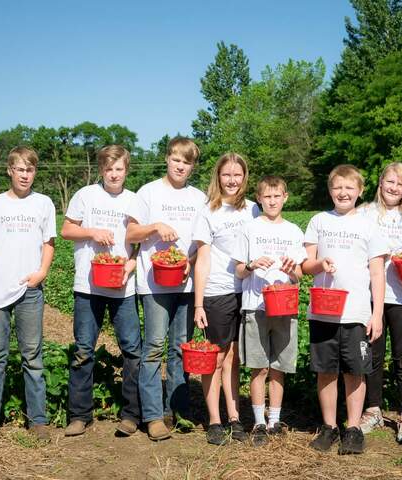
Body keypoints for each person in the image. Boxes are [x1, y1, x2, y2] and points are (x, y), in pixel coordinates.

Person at [0, 146, 56, 441]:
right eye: (20, 169)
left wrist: (41, 273)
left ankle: (38, 420)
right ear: (10, 170)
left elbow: (49, 242)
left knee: (32, 356)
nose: (25, 175)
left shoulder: (43, 204)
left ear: (34, 173)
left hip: (29, 288)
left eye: (30, 170)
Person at [125, 137, 206, 441]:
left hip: (186, 284)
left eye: (186, 162)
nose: (180, 166)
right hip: (154, 283)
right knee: (154, 347)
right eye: (176, 160)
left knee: (179, 349)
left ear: (192, 166)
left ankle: (177, 411)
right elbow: (131, 232)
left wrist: (191, 259)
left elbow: (201, 242)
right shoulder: (148, 192)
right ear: (167, 159)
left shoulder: (198, 197)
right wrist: (155, 226)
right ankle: (153, 416)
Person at [303, 165, 387, 454]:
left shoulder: (368, 225)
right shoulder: (318, 221)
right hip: (323, 310)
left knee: (355, 370)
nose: (343, 192)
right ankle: (329, 427)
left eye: (349, 188)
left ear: (360, 191)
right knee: (325, 371)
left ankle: (352, 428)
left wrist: (376, 314)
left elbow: (378, 274)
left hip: (357, 311)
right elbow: (306, 265)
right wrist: (320, 264)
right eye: (338, 187)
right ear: (330, 190)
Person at [61, 145, 142, 438]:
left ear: (126, 170)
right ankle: (80, 415)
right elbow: (67, 230)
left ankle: (132, 414)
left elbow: (139, 242)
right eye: (109, 169)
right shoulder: (85, 195)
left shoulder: (135, 200)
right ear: (101, 170)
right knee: (83, 350)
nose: (114, 174)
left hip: (123, 286)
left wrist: (131, 262)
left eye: (119, 169)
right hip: (88, 284)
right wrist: (92, 232)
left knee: (132, 350)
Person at [232, 175, 306, 447]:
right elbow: (239, 271)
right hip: (255, 306)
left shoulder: (294, 232)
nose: (272, 201)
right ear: (259, 199)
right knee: (259, 367)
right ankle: (258, 422)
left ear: (285, 197)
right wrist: (252, 265)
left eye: (277, 196)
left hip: (284, 307)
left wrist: (291, 270)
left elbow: (298, 276)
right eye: (267, 197)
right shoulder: (249, 229)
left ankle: (275, 421)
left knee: (279, 367)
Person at [192, 153, 259, 445]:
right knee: (216, 357)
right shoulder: (208, 211)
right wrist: (198, 304)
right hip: (217, 291)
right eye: (226, 175)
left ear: (245, 178)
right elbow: (202, 260)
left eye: (237, 175)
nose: (232, 180)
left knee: (235, 356)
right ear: (217, 177)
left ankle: (234, 416)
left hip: (245, 292)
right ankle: (215, 421)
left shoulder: (254, 210)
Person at [359, 162, 402, 443]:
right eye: (389, 181)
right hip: (370, 294)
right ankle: (373, 410)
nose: (393, 187)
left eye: (399, 184)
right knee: (373, 355)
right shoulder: (364, 213)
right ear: (380, 182)